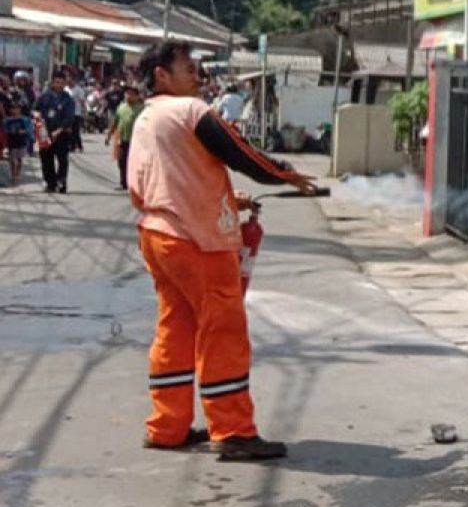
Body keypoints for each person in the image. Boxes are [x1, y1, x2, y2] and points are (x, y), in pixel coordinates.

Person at [128, 40, 316, 460]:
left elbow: (159, 182)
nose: (198, 76)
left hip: (158, 235)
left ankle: (167, 426)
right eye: (189, 68)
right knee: (223, 329)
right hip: (197, 239)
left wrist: (233, 200)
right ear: (162, 74)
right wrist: (285, 173)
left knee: (175, 327)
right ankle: (231, 429)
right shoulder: (190, 112)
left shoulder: (147, 118)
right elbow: (242, 154)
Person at [33, 71, 75, 194]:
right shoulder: (44, 96)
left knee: (62, 159)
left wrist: (59, 130)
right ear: (53, 82)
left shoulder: (68, 99)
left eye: (62, 83)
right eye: (57, 82)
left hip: (62, 133)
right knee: (46, 158)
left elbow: (69, 118)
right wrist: (36, 114)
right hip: (45, 132)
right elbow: (35, 109)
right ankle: (50, 183)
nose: (59, 85)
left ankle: (61, 181)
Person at [105, 85, 143, 190]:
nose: (128, 96)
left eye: (131, 94)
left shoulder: (141, 109)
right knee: (121, 161)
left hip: (137, 141)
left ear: (137, 96)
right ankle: (123, 183)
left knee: (134, 163)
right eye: (127, 94)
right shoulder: (121, 107)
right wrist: (109, 135)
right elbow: (115, 122)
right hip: (123, 139)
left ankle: (134, 184)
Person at [3, 100, 32, 186]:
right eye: (13, 109)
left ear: (20, 109)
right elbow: (5, 130)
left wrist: (23, 131)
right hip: (12, 142)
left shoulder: (24, 119)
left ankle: (18, 174)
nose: (15, 110)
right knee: (12, 159)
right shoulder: (8, 120)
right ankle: (13, 175)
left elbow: (29, 129)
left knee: (19, 159)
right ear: (10, 110)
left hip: (21, 142)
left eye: (17, 108)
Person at [68, 75, 87, 152]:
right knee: (69, 131)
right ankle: (72, 146)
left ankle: (78, 146)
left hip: (76, 113)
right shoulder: (66, 89)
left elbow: (82, 101)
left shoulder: (78, 90)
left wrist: (84, 111)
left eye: (71, 81)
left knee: (75, 130)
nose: (69, 82)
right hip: (68, 113)